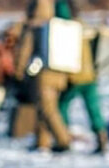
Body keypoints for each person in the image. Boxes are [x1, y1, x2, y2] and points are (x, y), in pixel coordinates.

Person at [15, 0, 71, 152]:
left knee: (48, 110)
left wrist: (19, 71)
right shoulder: (58, 25)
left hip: (44, 75)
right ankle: (42, 141)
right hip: (60, 73)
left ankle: (63, 140)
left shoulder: (35, 27)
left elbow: (25, 50)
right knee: (44, 107)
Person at [55, 0, 108, 154]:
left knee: (61, 107)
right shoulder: (82, 25)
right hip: (90, 75)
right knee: (93, 109)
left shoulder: (64, 30)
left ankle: (63, 138)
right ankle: (101, 137)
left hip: (75, 77)